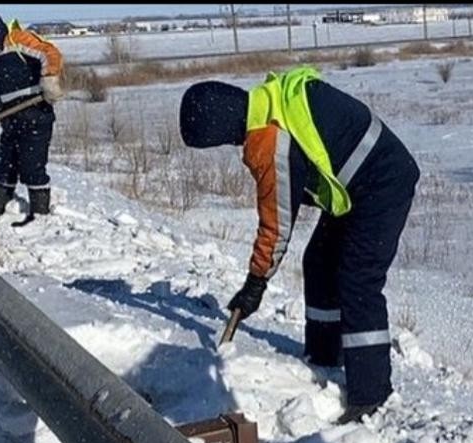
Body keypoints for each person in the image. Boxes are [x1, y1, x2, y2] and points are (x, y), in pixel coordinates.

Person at [178, 68, 420, 424]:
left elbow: (276, 226)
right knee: (319, 261)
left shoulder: (269, 139)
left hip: (383, 181)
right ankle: (324, 355)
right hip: (357, 184)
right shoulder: (270, 103)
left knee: (358, 279)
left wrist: (256, 282)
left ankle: (371, 395)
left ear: (219, 129)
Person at [0, 5, 64, 227]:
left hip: (36, 114)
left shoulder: (17, 40)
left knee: (32, 165)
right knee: (4, 165)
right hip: (9, 119)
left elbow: (49, 53)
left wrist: (49, 79)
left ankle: (39, 213)